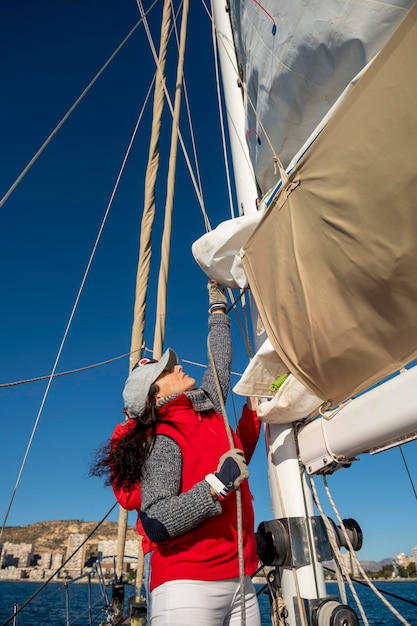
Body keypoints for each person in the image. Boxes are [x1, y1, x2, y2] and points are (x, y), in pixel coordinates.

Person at [94, 280, 261, 625]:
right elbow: (156, 520)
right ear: (155, 395)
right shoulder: (163, 437)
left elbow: (220, 360)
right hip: (188, 585)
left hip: (242, 579)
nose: (179, 366)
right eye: (168, 371)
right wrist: (217, 483)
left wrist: (217, 309)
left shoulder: (208, 407)